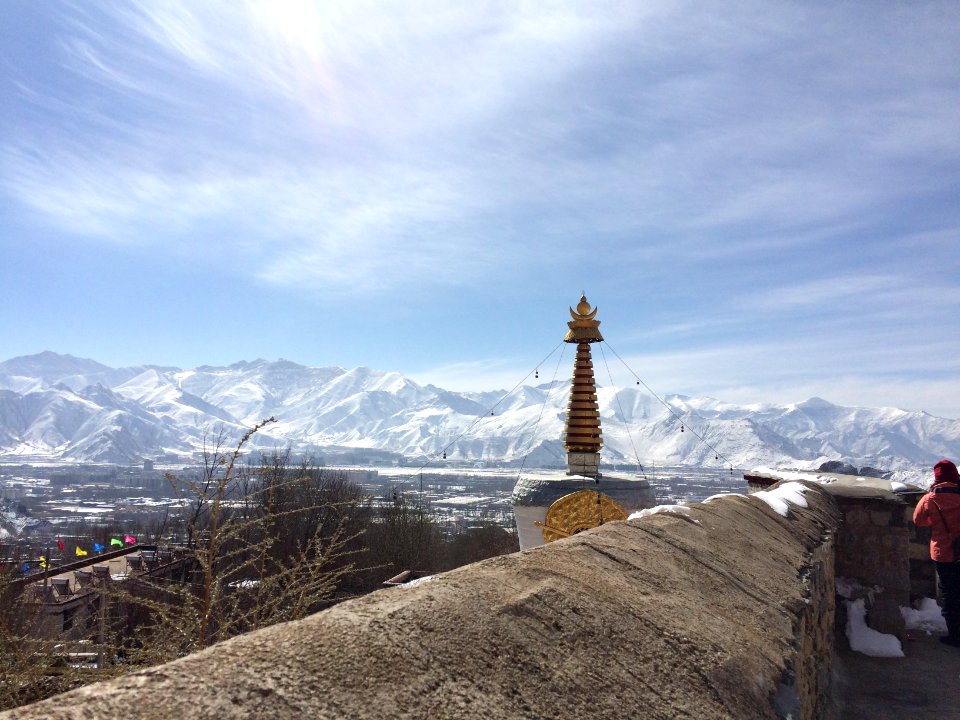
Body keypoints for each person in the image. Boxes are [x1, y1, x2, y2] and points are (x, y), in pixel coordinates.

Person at [913, 459, 960, 647]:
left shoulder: (930, 498)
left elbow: (918, 520)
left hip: (944, 553)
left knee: (951, 594)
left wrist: (937, 523)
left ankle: (955, 636)